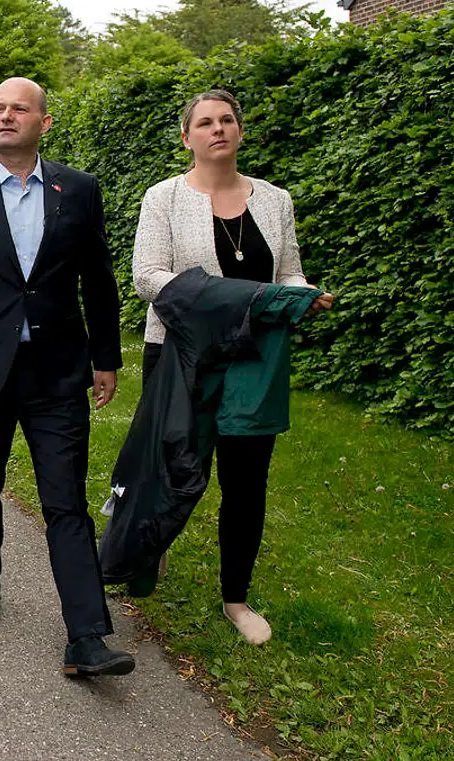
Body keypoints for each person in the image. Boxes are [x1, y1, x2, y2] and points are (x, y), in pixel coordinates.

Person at [0, 77, 134, 679]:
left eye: (19, 108)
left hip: (57, 372)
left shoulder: (79, 190)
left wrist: (105, 357)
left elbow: (99, 279)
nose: (6, 116)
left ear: (43, 122)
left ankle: (86, 636)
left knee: (65, 500)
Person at [131, 89, 333, 645]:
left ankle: (236, 599)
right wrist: (237, 297)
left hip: (253, 362)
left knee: (246, 481)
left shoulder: (275, 201)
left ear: (240, 132)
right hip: (181, 355)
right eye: (204, 123)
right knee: (174, 464)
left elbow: (288, 273)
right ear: (187, 137)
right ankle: (149, 551)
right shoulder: (164, 198)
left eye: (226, 120)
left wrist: (302, 294)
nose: (216, 129)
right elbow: (148, 276)